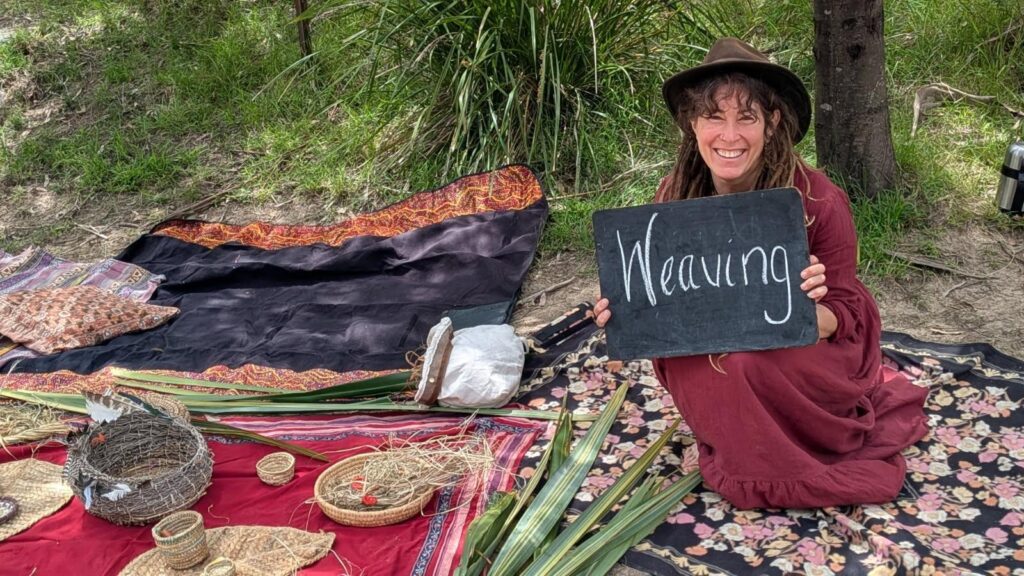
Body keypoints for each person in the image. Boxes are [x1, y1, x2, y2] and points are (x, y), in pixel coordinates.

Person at [593, 38, 929, 509]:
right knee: (708, 360)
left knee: (746, 361)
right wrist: (625, 305)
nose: (729, 136)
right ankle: (738, 441)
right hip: (711, 339)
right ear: (693, 124)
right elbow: (657, 300)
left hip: (804, 353)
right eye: (714, 117)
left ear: (771, 123)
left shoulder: (817, 200)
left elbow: (848, 312)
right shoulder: (674, 195)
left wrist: (812, 308)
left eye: (746, 117)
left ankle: (780, 461)